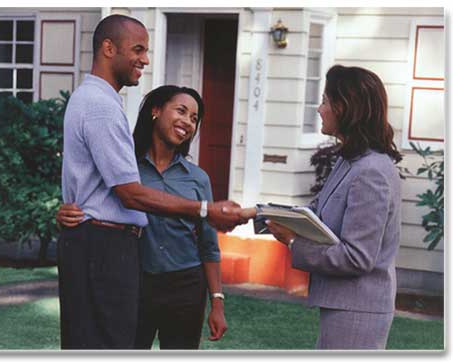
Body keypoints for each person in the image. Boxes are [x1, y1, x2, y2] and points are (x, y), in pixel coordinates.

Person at [58, 14, 245, 349]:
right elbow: (130, 194)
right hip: (103, 247)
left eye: (195, 118)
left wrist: (77, 208)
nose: (145, 58)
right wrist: (205, 209)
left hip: (115, 252)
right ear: (108, 47)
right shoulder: (101, 106)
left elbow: (91, 182)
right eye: (139, 49)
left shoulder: (97, 102)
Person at [265, 64, 402, 350]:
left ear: (344, 108)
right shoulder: (349, 161)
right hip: (345, 307)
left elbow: (357, 257)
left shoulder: (371, 171)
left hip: (358, 311)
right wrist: (259, 214)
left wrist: (292, 242)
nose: (319, 109)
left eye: (325, 101)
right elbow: (316, 212)